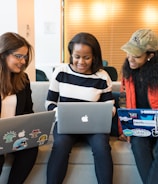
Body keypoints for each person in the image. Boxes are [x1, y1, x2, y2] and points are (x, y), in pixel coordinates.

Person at [45, 32, 116, 184]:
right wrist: (60, 114)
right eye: (77, 56)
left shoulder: (102, 76)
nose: (81, 62)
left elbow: (109, 105)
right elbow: (50, 102)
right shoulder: (61, 72)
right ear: (71, 54)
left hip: (94, 126)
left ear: (94, 57)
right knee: (60, 146)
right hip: (66, 124)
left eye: (86, 57)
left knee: (101, 147)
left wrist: (107, 112)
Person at [120, 28, 158, 184]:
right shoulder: (128, 73)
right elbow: (124, 101)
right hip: (139, 126)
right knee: (138, 145)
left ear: (150, 56)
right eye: (129, 53)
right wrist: (124, 128)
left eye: (136, 55)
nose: (130, 59)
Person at [0, 32, 38, 184]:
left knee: (31, 150)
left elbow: (28, 111)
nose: (23, 61)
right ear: (3, 55)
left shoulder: (23, 79)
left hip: (14, 135)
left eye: (25, 57)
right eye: (18, 56)